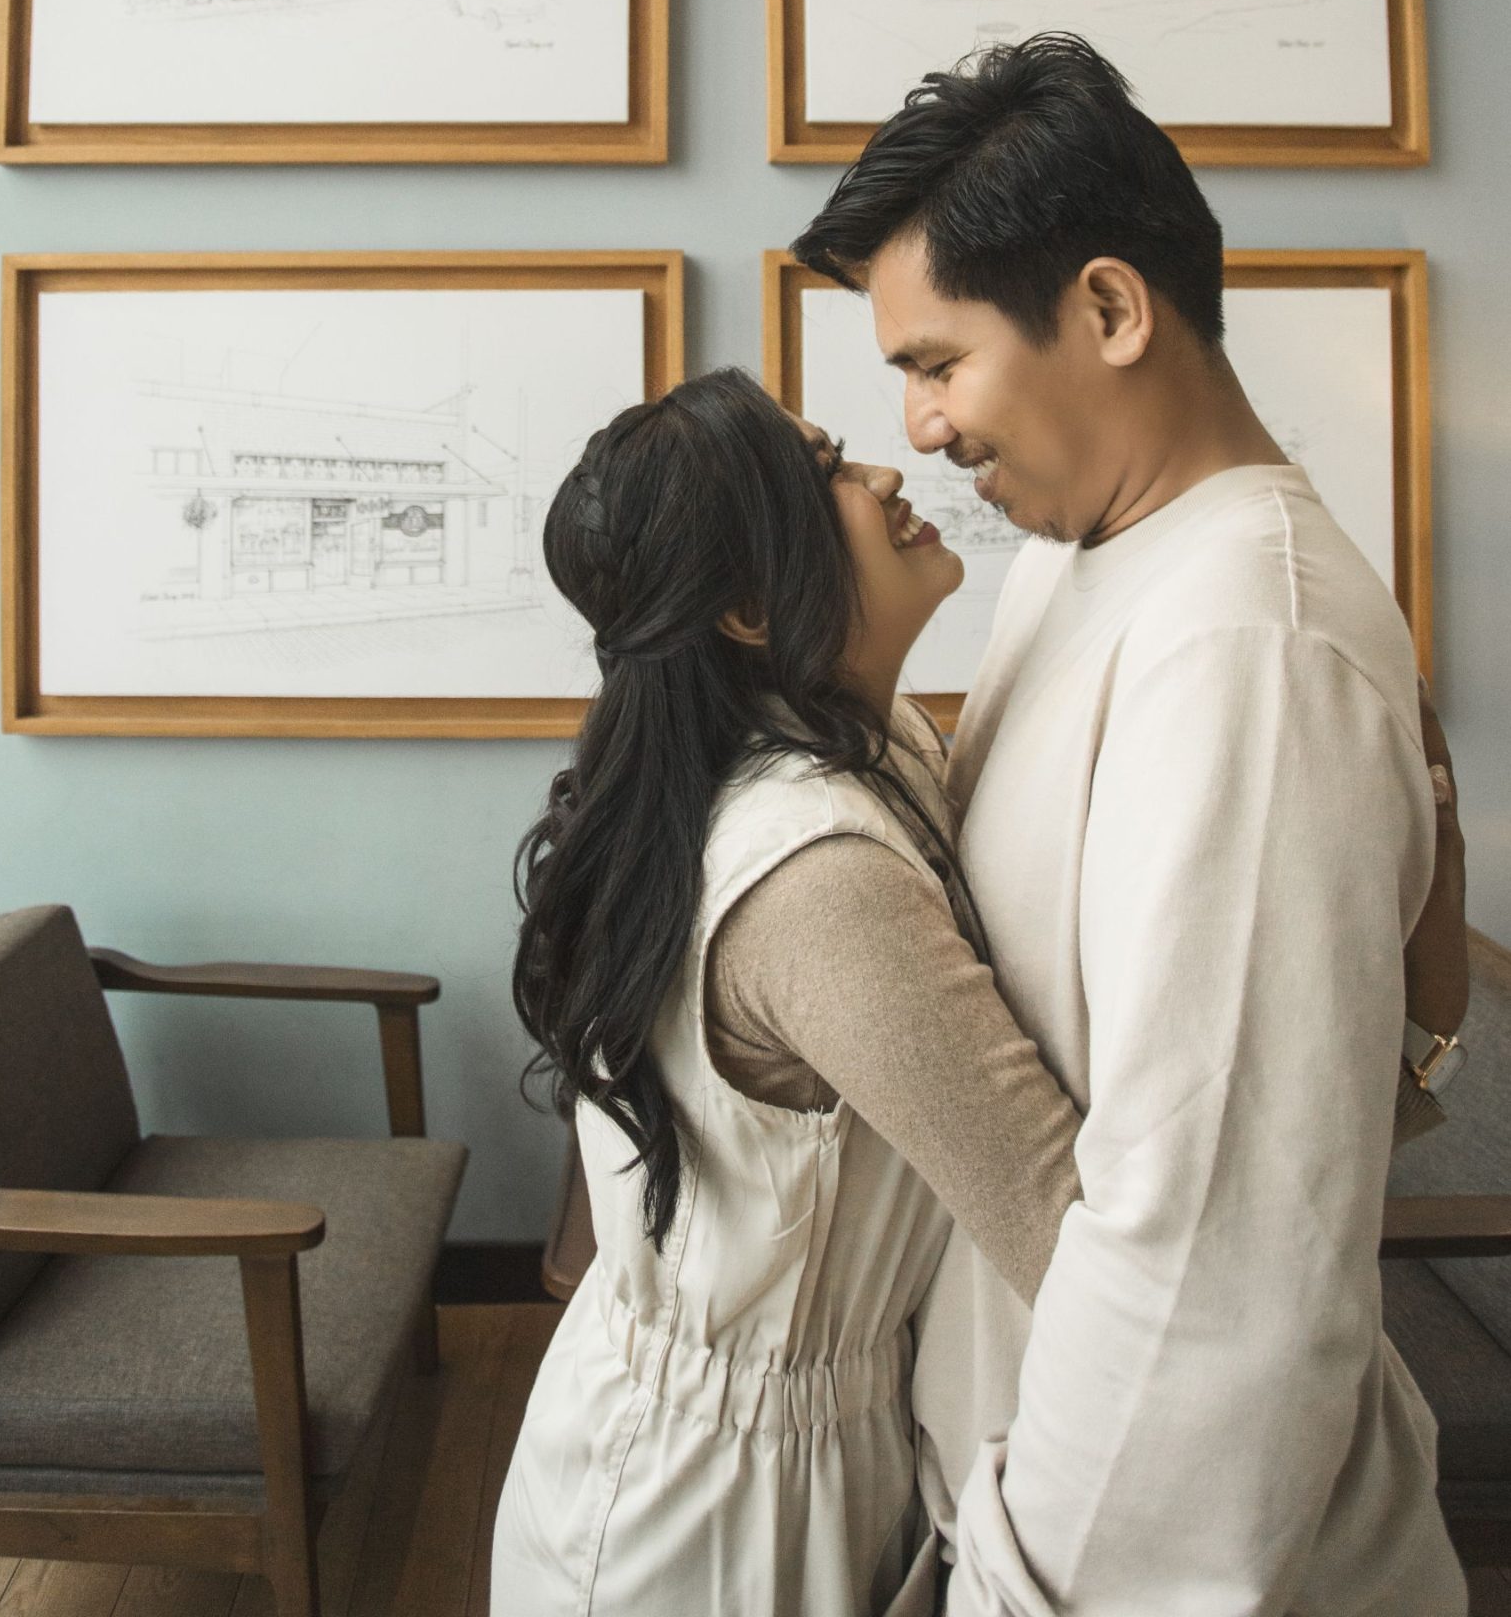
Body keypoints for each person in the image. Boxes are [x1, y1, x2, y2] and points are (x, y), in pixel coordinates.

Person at [489, 360, 1464, 1615]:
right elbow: (1066, 1230)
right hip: (711, 1517)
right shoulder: (815, 882)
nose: (886, 469)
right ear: (748, 608)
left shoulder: (881, 743)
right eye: (827, 474)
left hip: (824, 1438)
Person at [791, 31, 1468, 1615]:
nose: (920, 427)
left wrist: (1019, 1585)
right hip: (1018, 1472)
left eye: (935, 363)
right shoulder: (1074, 563)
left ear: (1106, 309)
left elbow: (1214, 1255)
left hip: (1123, 1560)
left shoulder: (1248, 650)